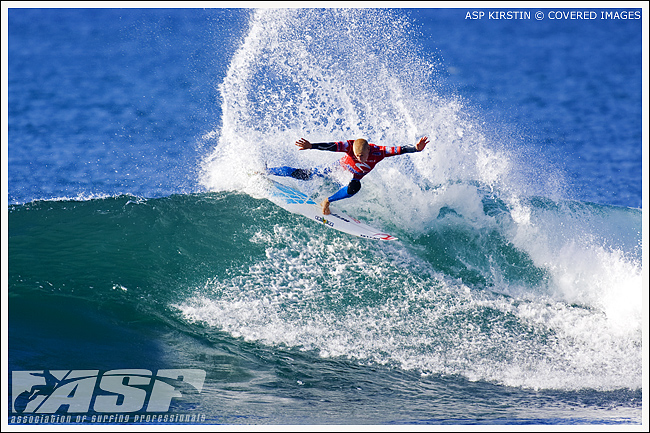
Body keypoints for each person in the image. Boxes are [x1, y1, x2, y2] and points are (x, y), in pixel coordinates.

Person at [267, 136, 429, 215]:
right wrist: (311, 146)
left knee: (355, 187)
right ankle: (266, 171)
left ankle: (327, 201)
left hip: (353, 178)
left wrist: (416, 148)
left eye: (362, 156)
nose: (359, 158)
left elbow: (400, 149)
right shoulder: (349, 146)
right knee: (304, 175)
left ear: (368, 150)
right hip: (336, 170)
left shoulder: (380, 151)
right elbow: (330, 146)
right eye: (357, 156)